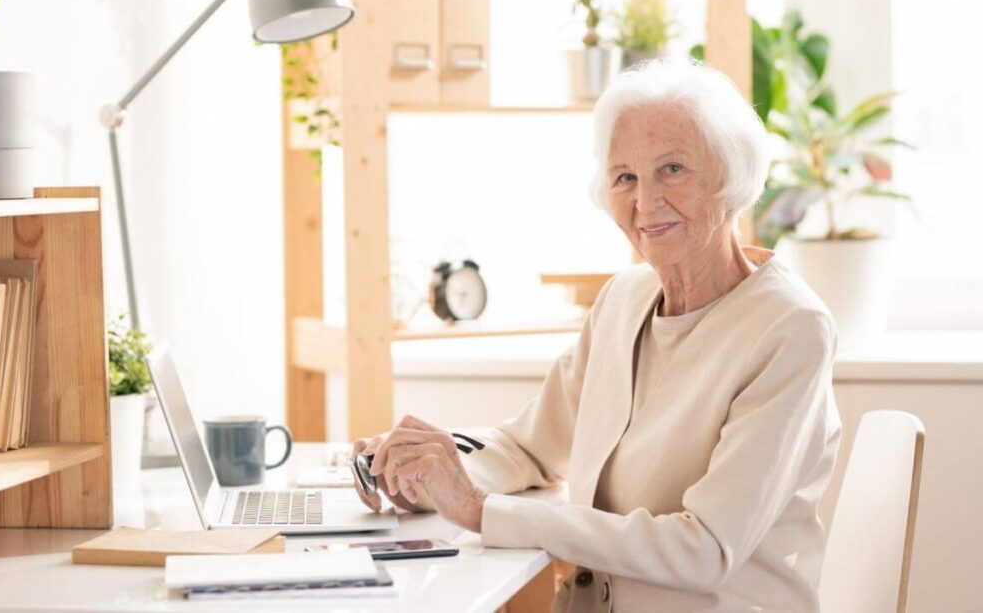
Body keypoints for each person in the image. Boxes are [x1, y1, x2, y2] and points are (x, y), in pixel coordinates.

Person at [352, 59, 842, 612]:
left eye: (673, 169)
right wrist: (425, 476)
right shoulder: (624, 300)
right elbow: (529, 447)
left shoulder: (788, 328)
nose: (646, 201)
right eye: (625, 176)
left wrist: (478, 508)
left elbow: (705, 549)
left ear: (731, 177)